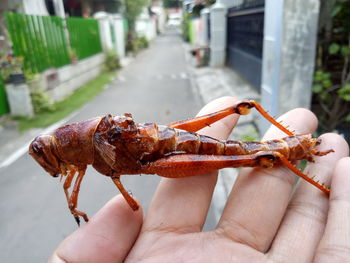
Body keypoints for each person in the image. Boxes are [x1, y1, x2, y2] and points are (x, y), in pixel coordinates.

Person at [49, 97, 350, 263]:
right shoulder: (91, 148)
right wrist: (74, 206)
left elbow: (113, 191)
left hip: (164, 155)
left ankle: (291, 154)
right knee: (250, 150)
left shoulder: (101, 143)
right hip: (159, 149)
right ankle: (287, 150)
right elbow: (72, 180)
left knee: (246, 150)